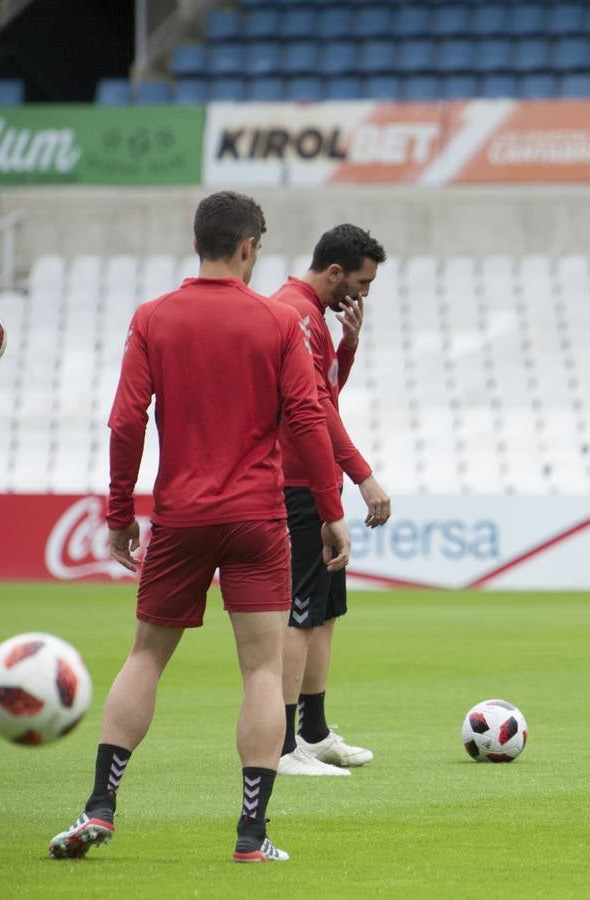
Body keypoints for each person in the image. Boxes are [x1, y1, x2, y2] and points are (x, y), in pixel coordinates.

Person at [48, 191, 352, 864]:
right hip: (258, 518)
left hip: (181, 516)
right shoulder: (276, 323)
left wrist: (120, 513)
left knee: (146, 656)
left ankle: (100, 805)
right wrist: (330, 509)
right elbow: (307, 419)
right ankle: (251, 837)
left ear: (197, 244)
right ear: (248, 247)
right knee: (262, 672)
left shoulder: (153, 318)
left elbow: (126, 421)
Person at [271, 224, 391, 777]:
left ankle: (314, 733)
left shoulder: (310, 317)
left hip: (315, 482)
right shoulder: (294, 315)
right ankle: (282, 747)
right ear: (336, 271)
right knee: (300, 615)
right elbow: (316, 411)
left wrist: (350, 343)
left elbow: (326, 395)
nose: (365, 293)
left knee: (323, 612)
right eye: (362, 282)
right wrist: (363, 476)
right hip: (296, 485)